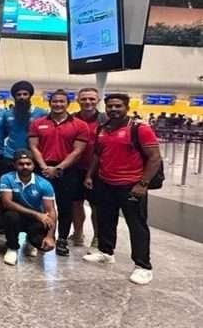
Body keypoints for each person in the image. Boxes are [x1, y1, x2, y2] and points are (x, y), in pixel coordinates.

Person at [82, 93, 161, 285]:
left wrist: (143, 184)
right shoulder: (102, 128)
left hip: (131, 185)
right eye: (110, 106)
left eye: (118, 106)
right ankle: (106, 252)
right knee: (106, 219)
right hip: (106, 182)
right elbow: (97, 155)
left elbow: (154, 157)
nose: (113, 109)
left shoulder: (139, 128)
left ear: (127, 107)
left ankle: (143, 266)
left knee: (136, 225)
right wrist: (90, 175)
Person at [28, 89, 89, 257]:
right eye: (55, 101)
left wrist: (59, 168)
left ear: (68, 104)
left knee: (65, 206)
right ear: (49, 103)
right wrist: (43, 167)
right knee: (41, 205)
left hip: (67, 171)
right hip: (42, 169)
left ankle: (62, 239)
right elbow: (34, 146)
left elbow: (78, 151)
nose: (58, 104)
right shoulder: (38, 123)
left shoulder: (80, 125)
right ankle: (41, 236)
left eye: (62, 101)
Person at [0, 150, 57, 266]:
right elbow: (7, 203)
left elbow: (51, 210)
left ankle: (30, 242)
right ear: (14, 165)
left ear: (33, 165)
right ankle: (12, 248)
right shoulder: (7, 178)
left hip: (35, 220)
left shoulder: (44, 184)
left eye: (28, 163)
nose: (25, 166)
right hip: (17, 215)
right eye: (21, 164)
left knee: (43, 244)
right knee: (10, 216)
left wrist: (50, 236)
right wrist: (36, 214)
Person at [73, 87, 107, 249]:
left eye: (92, 99)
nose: (88, 102)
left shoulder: (106, 120)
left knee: (96, 205)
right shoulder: (71, 119)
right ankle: (78, 234)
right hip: (75, 168)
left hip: (98, 170)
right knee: (76, 203)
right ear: (78, 100)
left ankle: (98, 236)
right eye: (84, 99)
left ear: (98, 100)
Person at [3, 81, 47, 168]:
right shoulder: (7, 114)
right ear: (14, 97)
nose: (22, 97)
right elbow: (4, 132)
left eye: (25, 94)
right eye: (18, 95)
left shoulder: (41, 113)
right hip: (10, 155)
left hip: (32, 156)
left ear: (30, 96)